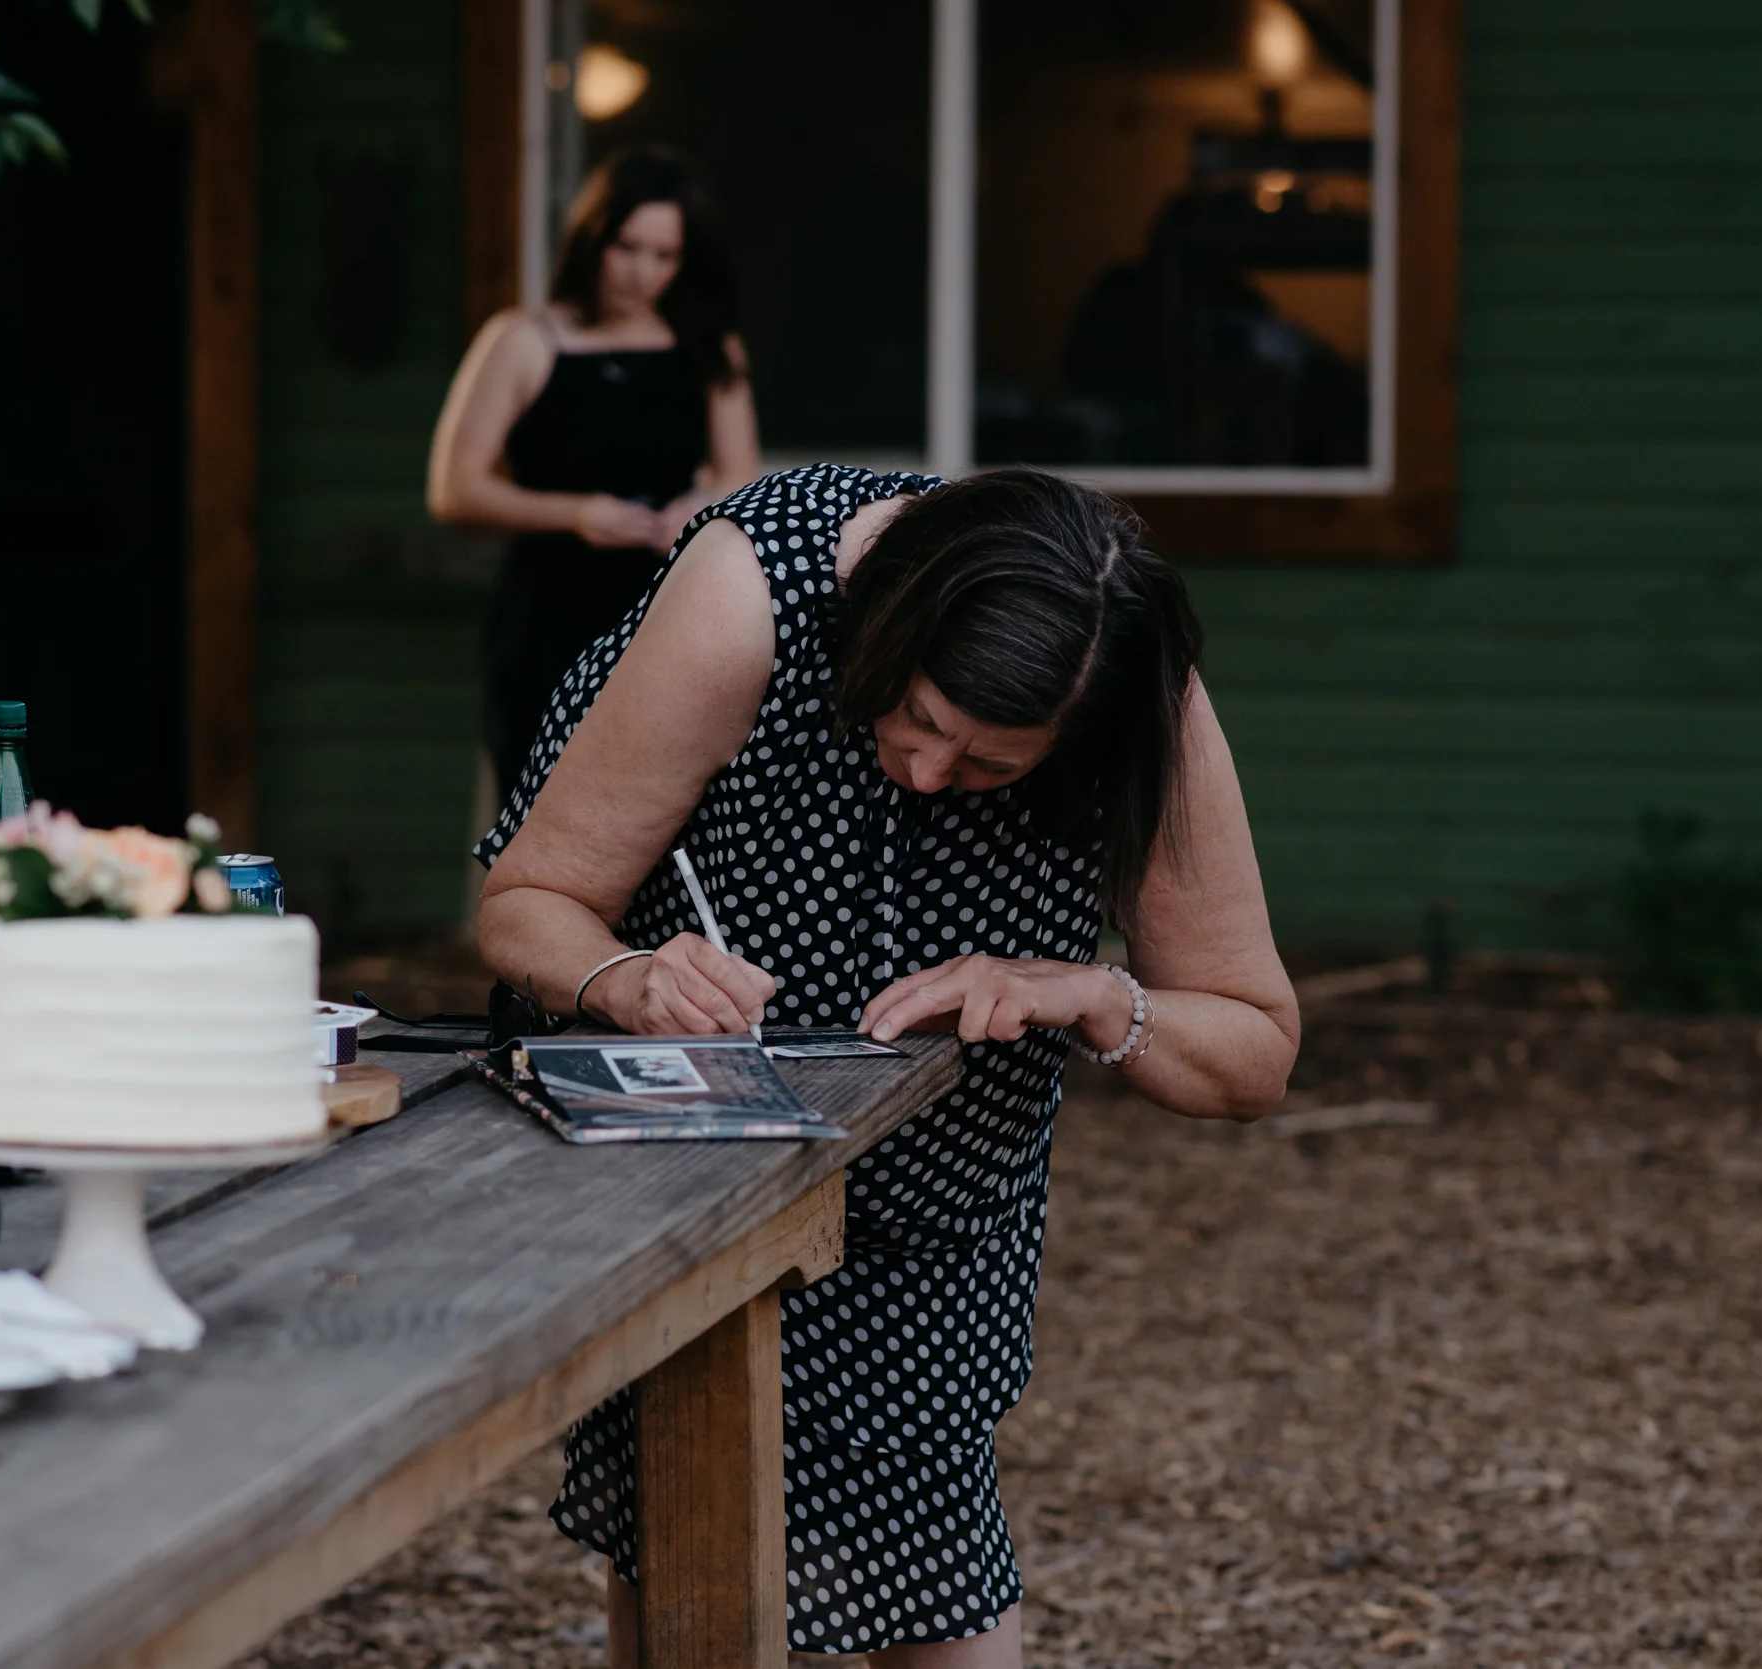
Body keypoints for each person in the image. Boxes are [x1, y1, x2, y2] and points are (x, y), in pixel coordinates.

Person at [476, 464, 1300, 1668]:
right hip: (692, 1182)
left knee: (921, 1553)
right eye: (913, 718)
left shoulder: (1133, 695)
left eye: (989, 768)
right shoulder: (747, 600)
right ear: (886, 626)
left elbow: (1253, 1051)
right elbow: (528, 902)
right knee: (693, 1541)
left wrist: (1094, 996)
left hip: (936, 1223)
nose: (922, 774)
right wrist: (624, 977)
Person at [427, 147, 761, 803]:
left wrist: (696, 508)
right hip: (548, 621)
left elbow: (739, 474)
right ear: (592, 238)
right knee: (540, 807)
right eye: (627, 248)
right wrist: (576, 514)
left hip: (668, 612)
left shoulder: (710, 346)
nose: (642, 272)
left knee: (662, 813)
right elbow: (455, 489)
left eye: (663, 256)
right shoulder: (524, 338)